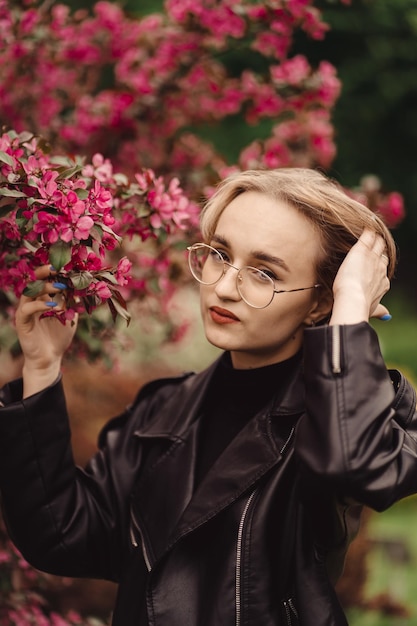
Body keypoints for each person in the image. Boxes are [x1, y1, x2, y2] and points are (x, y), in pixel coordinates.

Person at [0, 167, 416, 626]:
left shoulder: (342, 417)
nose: (221, 287)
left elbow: (356, 465)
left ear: (320, 302)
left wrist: (352, 307)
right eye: (219, 254)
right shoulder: (163, 411)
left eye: (263, 272)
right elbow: (65, 535)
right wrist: (41, 367)